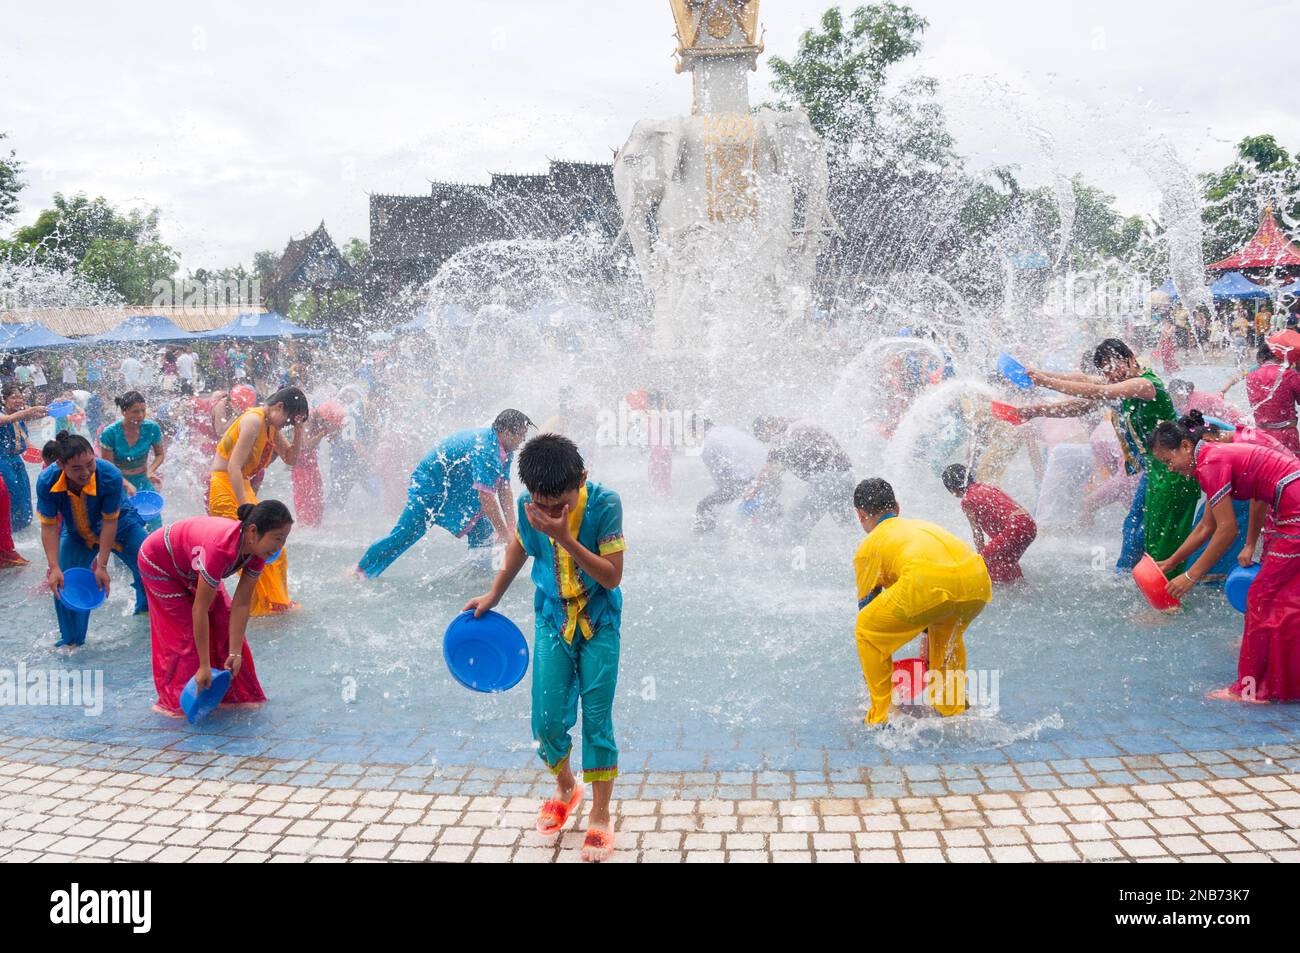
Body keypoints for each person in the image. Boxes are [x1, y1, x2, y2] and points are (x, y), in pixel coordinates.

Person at [463, 434, 626, 862]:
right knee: (546, 720)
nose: (550, 513)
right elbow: (520, 545)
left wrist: (566, 537)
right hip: (553, 618)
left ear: (582, 480)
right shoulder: (527, 506)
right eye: (542, 503)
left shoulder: (605, 504)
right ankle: (566, 787)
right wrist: (493, 595)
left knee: (596, 719)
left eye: (561, 505)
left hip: (598, 621)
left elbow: (612, 577)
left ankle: (601, 815)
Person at [1019, 339, 1201, 574]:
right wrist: (1037, 406)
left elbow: (1098, 390)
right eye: (1105, 369)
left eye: (1114, 365)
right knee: (1135, 526)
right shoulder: (1122, 386)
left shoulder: (1144, 385)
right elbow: (1083, 390)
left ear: (1131, 358)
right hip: (1152, 471)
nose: (1110, 373)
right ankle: (1130, 578)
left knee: (1158, 532)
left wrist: (1046, 382)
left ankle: (1162, 586)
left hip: (1171, 470)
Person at [1151, 420, 1300, 703]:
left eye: (1169, 460)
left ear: (1185, 446)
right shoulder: (1212, 457)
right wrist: (1171, 563)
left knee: (1259, 598)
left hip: (1295, 510)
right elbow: (1205, 527)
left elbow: (1227, 530)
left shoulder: (1210, 463)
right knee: (1284, 599)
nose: (1170, 468)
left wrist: (1191, 577)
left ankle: (1250, 690)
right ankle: (1282, 681)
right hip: (1290, 504)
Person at [852, 478, 992, 726]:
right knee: (946, 632)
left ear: (861, 514)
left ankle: (883, 714)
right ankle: (952, 708)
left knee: (866, 629)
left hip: (927, 584)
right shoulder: (921, 526)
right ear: (896, 507)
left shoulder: (869, 546)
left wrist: (872, 674)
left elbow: (869, 609)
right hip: (977, 581)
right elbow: (933, 595)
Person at [140, 502, 290, 717]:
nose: (280, 546)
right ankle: (172, 703)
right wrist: (204, 665)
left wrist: (235, 652)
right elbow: (199, 610)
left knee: (223, 617)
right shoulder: (220, 549)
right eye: (277, 538)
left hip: (192, 565)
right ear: (253, 531)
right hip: (159, 562)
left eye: (284, 539)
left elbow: (241, 604)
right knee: (184, 635)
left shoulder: (257, 553)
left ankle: (236, 695)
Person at [356, 409, 532, 578]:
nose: (523, 439)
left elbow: (504, 487)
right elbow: (486, 498)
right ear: (507, 432)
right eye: (521, 434)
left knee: (483, 530)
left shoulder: (505, 450)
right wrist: (503, 533)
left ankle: (487, 578)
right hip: (430, 485)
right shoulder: (486, 449)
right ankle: (362, 570)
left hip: (455, 487)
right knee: (407, 533)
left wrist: (510, 527)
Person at [36, 432, 149, 647]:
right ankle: (72, 641)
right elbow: (49, 526)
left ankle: (146, 612)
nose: (86, 472)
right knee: (63, 582)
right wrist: (54, 567)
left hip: (121, 524)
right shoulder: (46, 481)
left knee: (150, 562)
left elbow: (110, 522)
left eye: (90, 464)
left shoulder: (110, 475)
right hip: (77, 533)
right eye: (77, 468)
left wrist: (103, 566)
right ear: (60, 464)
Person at [207, 386, 307, 616]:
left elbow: (291, 459)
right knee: (252, 548)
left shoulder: (270, 424)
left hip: (240, 485)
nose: (287, 425)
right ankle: (258, 609)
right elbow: (233, 465)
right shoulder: (254, 420)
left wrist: (299, 430)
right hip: (225, 486)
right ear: (279, 406)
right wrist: (247, 508)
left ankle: (276, 602)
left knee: (274, 548)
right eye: (289, 421)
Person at [747, 417, 855, 539]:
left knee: (793, 519)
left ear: (768, 427)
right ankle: (864, 549)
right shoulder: (797, 425)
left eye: (764, 437)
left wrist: (753, 490)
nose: (767, 441)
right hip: (846, 476)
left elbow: (770, 469)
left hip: (828, 480)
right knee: (847, 524)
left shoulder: (785, 434)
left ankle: (791, 552)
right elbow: (779, 470)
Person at [941, 464, 1037, 583]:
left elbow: (977, 532)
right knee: (1005, 563)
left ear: (952, 490)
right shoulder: (987, 487)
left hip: (1014, 528)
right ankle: (1024, 589)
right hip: (1029, 524)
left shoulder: (967, 501)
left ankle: (994, 593)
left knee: (985, 566)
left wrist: (982, 556)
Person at [98, 391, 166, 530]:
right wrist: (126, 484)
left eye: (143, 410)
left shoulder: (152, 428)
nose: (140, 415)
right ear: (124, 412)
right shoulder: (110, 433)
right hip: (118, 481)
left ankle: (155, 549)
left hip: (142, 479)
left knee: (154, 521)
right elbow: (108, 468)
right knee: (124, 521)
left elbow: (160, 455)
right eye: (135, 411)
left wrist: (150, 471)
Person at [694, 418, 770, 532]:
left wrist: (722, 497)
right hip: (764, 476)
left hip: (745, 483)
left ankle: (704, 536)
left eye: (692, 434)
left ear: (696, 431)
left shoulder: (708, 444)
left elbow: (720, 479)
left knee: (703, 506)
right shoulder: (729, 430)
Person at [1, 385, 46, 532]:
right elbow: (8, 419)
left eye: (19, 397)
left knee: (26, 492)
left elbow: (24, 441)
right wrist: (30, 411)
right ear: (4, 400)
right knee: (13, 492)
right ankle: (10, 529)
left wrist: (42, 454)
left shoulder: (20, 418)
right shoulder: (5, 415)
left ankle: (24, 528)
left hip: (16, 459)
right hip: (2, 461)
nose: (18, 400)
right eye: (13, 397)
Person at [1168, 378, 1243, 426]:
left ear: (1180, 394)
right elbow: (1220, 393)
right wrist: (1230, 383)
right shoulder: (1195, 394)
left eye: (1174, 396)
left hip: (1233, 421)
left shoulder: (1193, 406)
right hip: (1236, 414)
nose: (1173, 399)